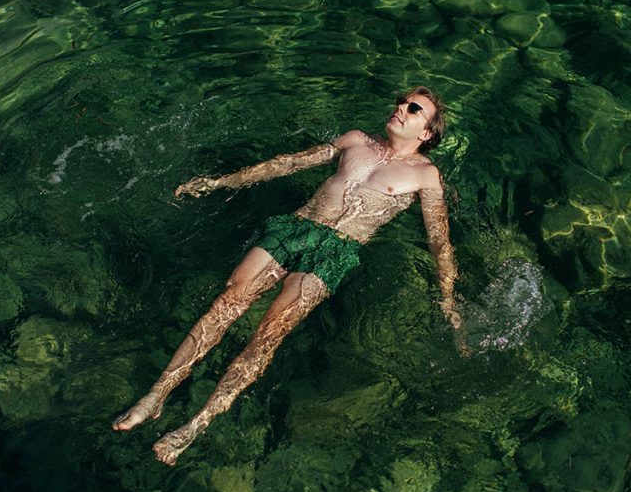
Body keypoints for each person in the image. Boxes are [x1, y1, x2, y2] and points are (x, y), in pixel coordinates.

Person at [112, 86, 462, 465]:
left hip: (335, 251)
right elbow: (287, 164)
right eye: (400, 101)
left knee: (268, 333)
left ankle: (197, 423)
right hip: (294, 229)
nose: (400, 108)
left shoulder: (426, 177)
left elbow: (438, 240)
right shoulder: (355, 140)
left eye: (413, 109)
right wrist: (219, 183)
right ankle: (156, 395)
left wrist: (447, 296)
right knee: (229, 299)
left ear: (426, 134)